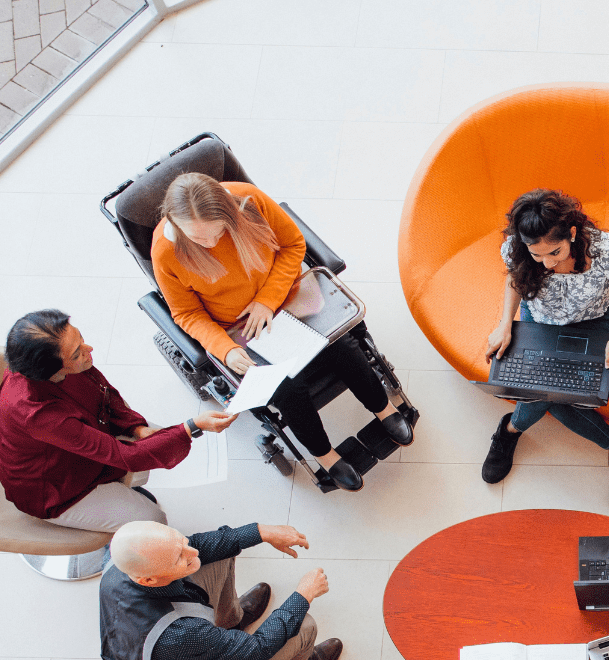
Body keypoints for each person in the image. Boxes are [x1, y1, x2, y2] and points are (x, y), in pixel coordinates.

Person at [151, 172, 413, 492]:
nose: (209, 243)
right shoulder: (166, 251)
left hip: (288, 298)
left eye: (217, 232)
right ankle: (325, 456)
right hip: (240, 329)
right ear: (175, 223)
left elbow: (293, 245)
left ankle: (383, 408)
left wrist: (266, 301)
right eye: (197, 237)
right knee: (286, 390)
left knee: (343, 347)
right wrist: (227, 350)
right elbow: (187, 313)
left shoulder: (250, 201)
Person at [479, 188, 609, 507]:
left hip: (594, 323)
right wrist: (505, 322)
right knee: (548, 393)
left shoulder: (605, 249)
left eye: (555, 252)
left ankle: (509, 429)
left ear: (572, 234)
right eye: (537, 255)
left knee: (556, 393)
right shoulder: (517, 248)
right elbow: (515, 280)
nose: (546, 263)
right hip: (539, 321)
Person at [0, 309, 235, 531]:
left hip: (72, 448)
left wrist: (135, 426)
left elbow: (101, 391)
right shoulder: (38, 414)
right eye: (78, 353)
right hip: (55, 486)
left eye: (81, 339)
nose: (89, 349)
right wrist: (192, 427)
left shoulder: (53, 365)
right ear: (50, 371)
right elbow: (126, 456)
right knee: (153, 519)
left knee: (154, 444)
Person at [100, 519, 342, 660]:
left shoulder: (119, 563)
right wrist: (304, 594)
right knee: (304, 625)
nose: (191, 551)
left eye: (181, 540)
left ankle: (232, 624)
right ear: (149, 580)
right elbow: (259, 648)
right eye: (179, 558)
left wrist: (262, 532)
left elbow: (200, 545)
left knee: (220, 553)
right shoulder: (178, 637)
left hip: (184, 652)